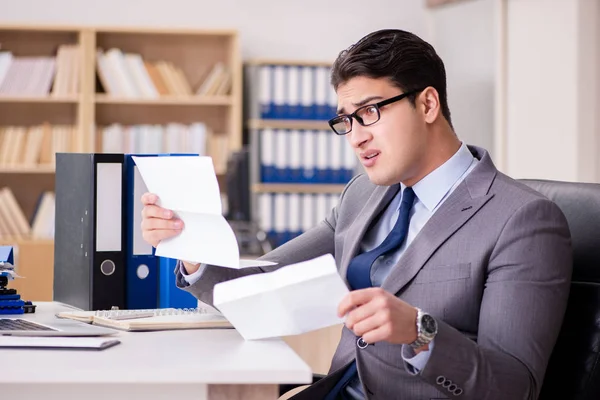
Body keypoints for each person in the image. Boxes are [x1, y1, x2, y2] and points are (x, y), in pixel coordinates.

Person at [141, 29, 572, 400]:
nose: (356, 137)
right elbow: (265, 281)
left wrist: (419, 331)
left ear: (427, 105)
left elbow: (517, 387)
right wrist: (192, 247)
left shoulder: (523, 220)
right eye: (347, 120)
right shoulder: (363, 194)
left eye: (370, 112)